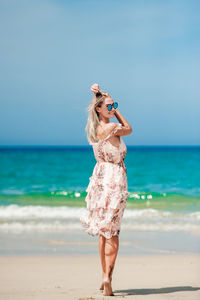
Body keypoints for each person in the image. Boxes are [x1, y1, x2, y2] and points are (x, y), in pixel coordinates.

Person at [80, 83, 132, 296]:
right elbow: (129, 128)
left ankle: (104, 277)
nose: (111, 109)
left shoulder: (92, 130)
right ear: (98, 109)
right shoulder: (111, 128)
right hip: (114, 180)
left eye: (114, 106)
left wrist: (102, 99)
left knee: (103, 230)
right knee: (113, 232)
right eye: (109, 106)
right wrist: (118, 111)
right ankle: (107, 277)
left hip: (99, 178)